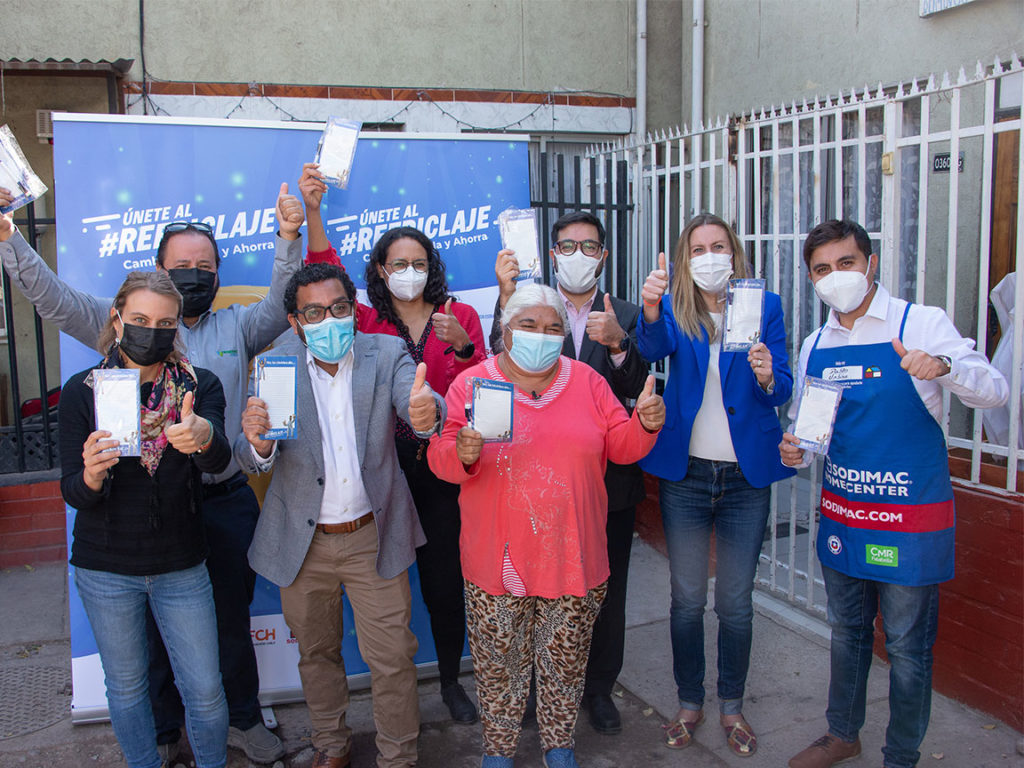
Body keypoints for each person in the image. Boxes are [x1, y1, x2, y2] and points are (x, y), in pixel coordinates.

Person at [0, 184, 304, 764]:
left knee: (228, 625)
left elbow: (279, 303)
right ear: (157, 274)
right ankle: (164, 734)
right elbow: (53, 299)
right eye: (181, 265)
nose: (193, 275)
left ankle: (241, 719)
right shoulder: (120, 327)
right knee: (148, 642)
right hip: (139, 513)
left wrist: (289, 237)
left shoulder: (236, 328)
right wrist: (10, 238)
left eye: (205, 267)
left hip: (221, 498)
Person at [782, 220, 1008, 768]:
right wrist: (796, 450)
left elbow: (995, 390)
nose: (836, 276)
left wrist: (945, 367)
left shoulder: (920, 322)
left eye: (846, 263)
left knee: (907, 646)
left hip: (909, 521)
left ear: (871, 264)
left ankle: (901, 756)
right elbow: (810, 430)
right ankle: (843, 734)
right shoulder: (815, 344)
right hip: (844, 516)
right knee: (848, 632)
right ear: (811, 280)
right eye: (822, 269)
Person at [429, 283, 665, 768]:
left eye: (554, 327)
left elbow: (622, 447)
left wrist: (644, 423)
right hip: (499, 563)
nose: (542, 334)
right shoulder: (473, 384)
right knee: (499, 669)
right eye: (529, 324)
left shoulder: (587, 381)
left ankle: (559, 747)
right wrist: (462, 452)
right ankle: (498, 752)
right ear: (505, 329)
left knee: (565, 665)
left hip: (572, 558)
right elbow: (442, 458)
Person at [236, 262, 445, 768]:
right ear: (295, 322)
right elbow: (251, 452)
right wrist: (259, 445)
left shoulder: (386, 353)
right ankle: (331, 744)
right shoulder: (273, 366)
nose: (328, 320)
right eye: (313, 312)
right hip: (302, 542)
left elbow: (417, 400)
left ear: (354, 310)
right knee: (317, 654)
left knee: (392, 657)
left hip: (374, 534)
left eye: (339, 308)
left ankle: (399, 756)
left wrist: (427, 412)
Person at [298, 163, 486, 722]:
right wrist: (313, 212)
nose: (410, 272)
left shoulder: (459, 315)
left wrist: (463, 349)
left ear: (432, 267)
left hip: (441, 466)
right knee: (381, 578)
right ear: (381, 269)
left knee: (444, 581)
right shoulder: (361, 319)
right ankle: (386, 693)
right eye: (399, 263)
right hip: (381, 466)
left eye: (419, 263)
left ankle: (450, 680)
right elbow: (324, 272)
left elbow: (480, 394)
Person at [638, 212, 795, 757]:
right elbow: (651, 350)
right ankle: (689, 701)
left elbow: (782, 389)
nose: (710, 257)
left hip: (745, 478)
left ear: (735, 253)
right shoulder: (675, 308)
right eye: (698, 249)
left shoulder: (764, 307)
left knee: (734, 602)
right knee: (686, 599)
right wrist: (651, 308)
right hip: (687, 475)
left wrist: (768, 375)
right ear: (686, 259)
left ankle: (731, 705)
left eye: (719, 246)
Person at [59, 271, 230, 768]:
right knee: (127, 688)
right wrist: (92, 476)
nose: (150, 332)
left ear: (176, 328)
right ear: (116, 319)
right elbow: (73, 491)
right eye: (139, 319)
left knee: (205, 689)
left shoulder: (199, 385)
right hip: (106, 570)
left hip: (182, 566)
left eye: (164, 323)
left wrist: (202, 437)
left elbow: (219, 459)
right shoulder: (83, 392)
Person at [489, 210, 649, 735]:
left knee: (606, 593)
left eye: (589, 246)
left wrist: (620, 343)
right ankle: (538, 690)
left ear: (603, 256)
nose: (578, 255)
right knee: (535, 592)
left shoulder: (626, 313)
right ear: (552, 253)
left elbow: (639, 387)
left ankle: (598, 689)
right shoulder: (531, 305)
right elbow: (497, 367)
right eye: (567, 245)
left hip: (610, 485)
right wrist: (505, 297)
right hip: (537, 483)